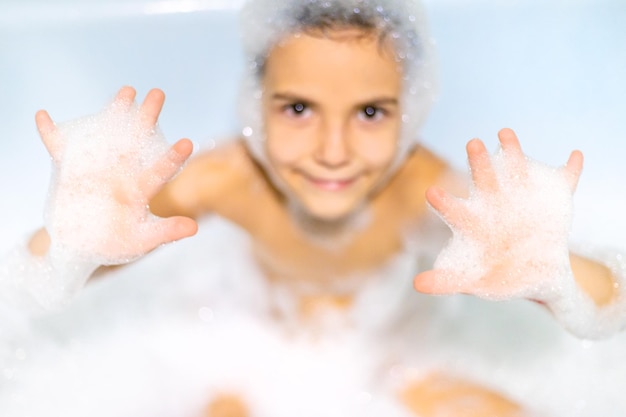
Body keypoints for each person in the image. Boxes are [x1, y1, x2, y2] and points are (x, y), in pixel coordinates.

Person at [3, 0, 625, 415]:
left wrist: (557, 273)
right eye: (298, 108)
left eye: (371, 112)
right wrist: (71, 245)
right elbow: (89, 251)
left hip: (398, 356)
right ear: (257, 103)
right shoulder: (228, 180)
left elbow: (607, 300)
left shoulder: (420, 191)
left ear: (409, 111)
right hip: (243, 352)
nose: (334, 150)